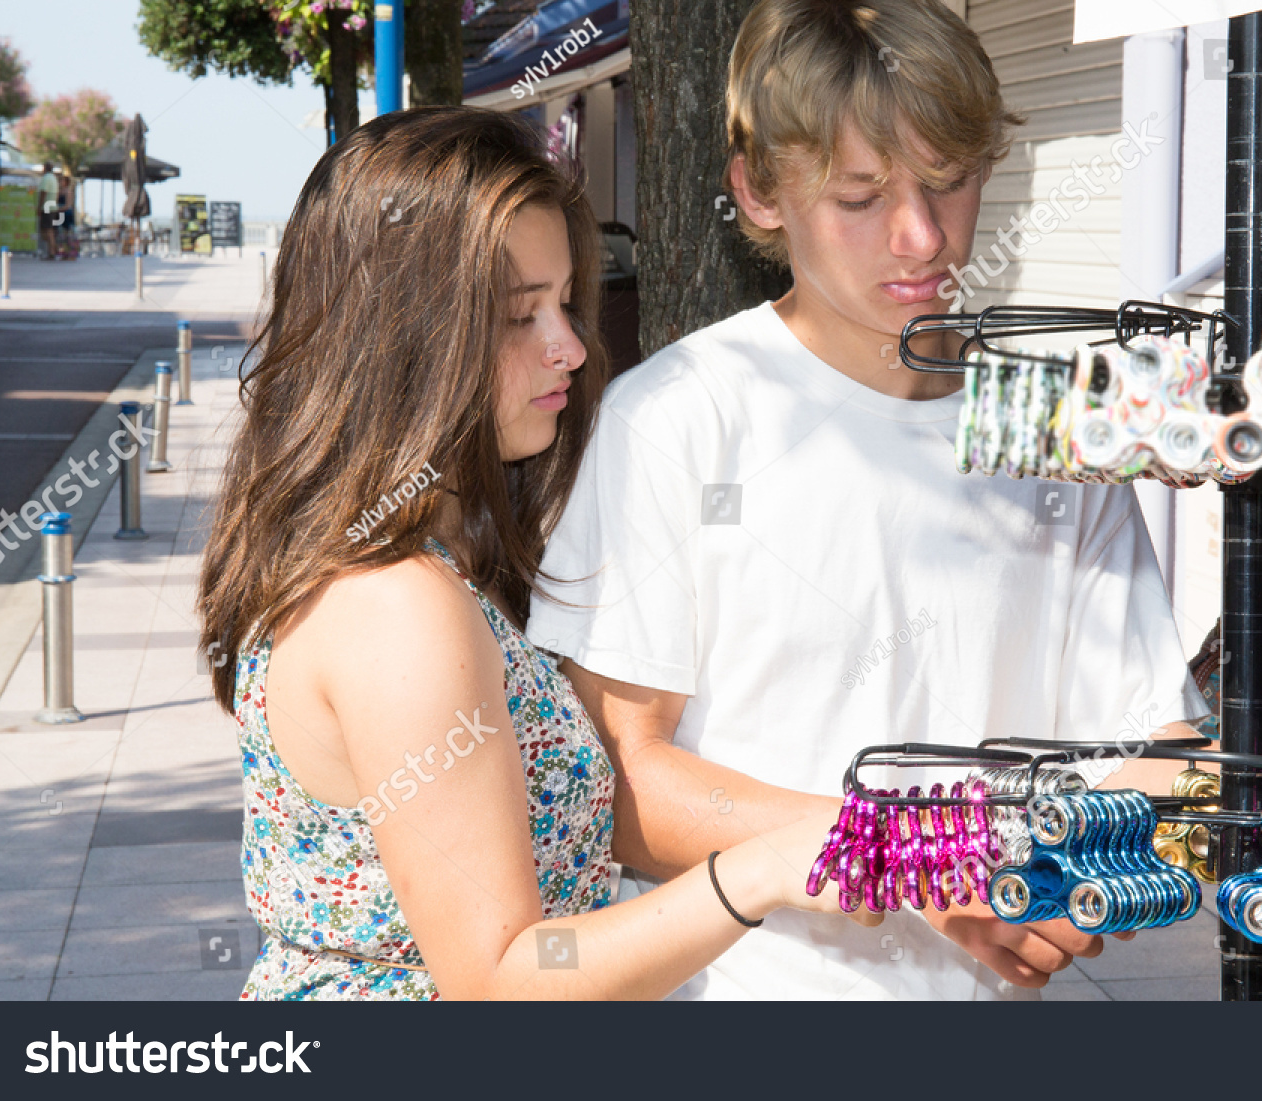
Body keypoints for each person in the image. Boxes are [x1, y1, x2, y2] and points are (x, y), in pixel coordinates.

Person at [526, 0, 1216, 1001]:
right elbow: (622, 786)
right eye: (860, 196)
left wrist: (1218, 817)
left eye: (950, 182)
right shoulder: (679, 418)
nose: (922, 236)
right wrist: (913, 859)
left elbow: (1149, 742)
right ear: (759, 193)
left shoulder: (1049, 429)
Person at [197, 106, 876, 1001]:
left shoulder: (406, 558)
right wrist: (759, 870)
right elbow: (502, 981)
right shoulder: (397, 603)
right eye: (522, 316)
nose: (570, 346)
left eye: (563, 304)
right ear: (402, 338)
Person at [37, 163, 58, 260]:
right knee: (50, 231)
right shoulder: (54, 178)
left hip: (47, 207)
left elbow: (43, 192)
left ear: (45, 168)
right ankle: (52, 251)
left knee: (47, 231)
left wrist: (40, 206)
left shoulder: (46, 178)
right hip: (53, 207)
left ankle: (51, 252)